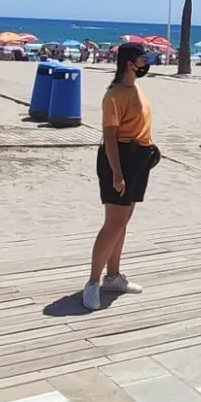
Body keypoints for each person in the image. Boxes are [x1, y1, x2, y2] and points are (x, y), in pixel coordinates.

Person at [84, 42, 161, 311]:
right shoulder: (114, 95)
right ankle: (93, 282)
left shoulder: (136, 89)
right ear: (130, 63)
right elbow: (110, 137)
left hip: (139, 158)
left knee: (124, 220)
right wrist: (117, 172)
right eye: (143, 58)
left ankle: (113, 276)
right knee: (113, 222)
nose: (147, 62)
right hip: (119, 159)